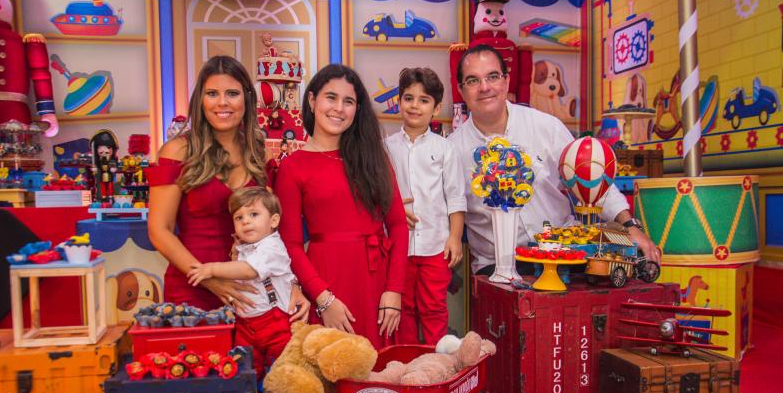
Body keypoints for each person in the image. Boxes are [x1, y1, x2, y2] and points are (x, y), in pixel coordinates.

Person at [448, 45, 661, 276]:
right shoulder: (451, 151)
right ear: (461, 90)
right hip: (495, 268)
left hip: (563, 255)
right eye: (473, 80)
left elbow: (591, 178)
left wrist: (630, 226)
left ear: (506, 81)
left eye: (493, 76)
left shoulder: (545, 127)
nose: (484, 87)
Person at [147, 55, 308, 320]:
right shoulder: (177, 151)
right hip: (193, 285)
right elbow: (159, 231)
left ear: (247, 99)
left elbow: (273, 234)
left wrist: (291, 285)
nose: (222, 102)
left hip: (252, 292)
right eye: (212, 93)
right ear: (200, 100)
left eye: (232, 93)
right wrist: (210, 280)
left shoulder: (260, 155)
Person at [274, 64, 408, 349]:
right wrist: (323, 299)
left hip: (377, 282)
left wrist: (394, 290)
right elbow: (290, 244)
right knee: (335, 365)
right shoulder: (292, 167)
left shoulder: (374, 157)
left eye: (348, 101)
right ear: (312, 100)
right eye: (331, 97)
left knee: (382, 368)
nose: (339, 108)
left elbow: (397, 225)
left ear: (357, 109)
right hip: (328, 281)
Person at [385, 67, 466, 346]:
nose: (414, 106)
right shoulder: (385, 148)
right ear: (399, 101)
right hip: (399, 247)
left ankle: (436, 361)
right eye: (408, 98)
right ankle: (407, 360)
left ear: (436, 107)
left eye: (423, 100)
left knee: (433, 307)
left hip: (435, 245)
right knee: (403, 308)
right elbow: (378, 196)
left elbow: (455, 197)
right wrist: (394, 208)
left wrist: (455, 237)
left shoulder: (445, 149)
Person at [187, 187, 294, 381]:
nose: (245, 221)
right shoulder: (247, 247)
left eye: (253, 214)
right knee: (245, 370)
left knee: (282, 372)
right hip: (246, 324)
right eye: (239, 217)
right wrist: (235, 253)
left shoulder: (272, 246)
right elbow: (238, 271)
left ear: (273, 221)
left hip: (274, 323)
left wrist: (212, 269)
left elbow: (248, 270)